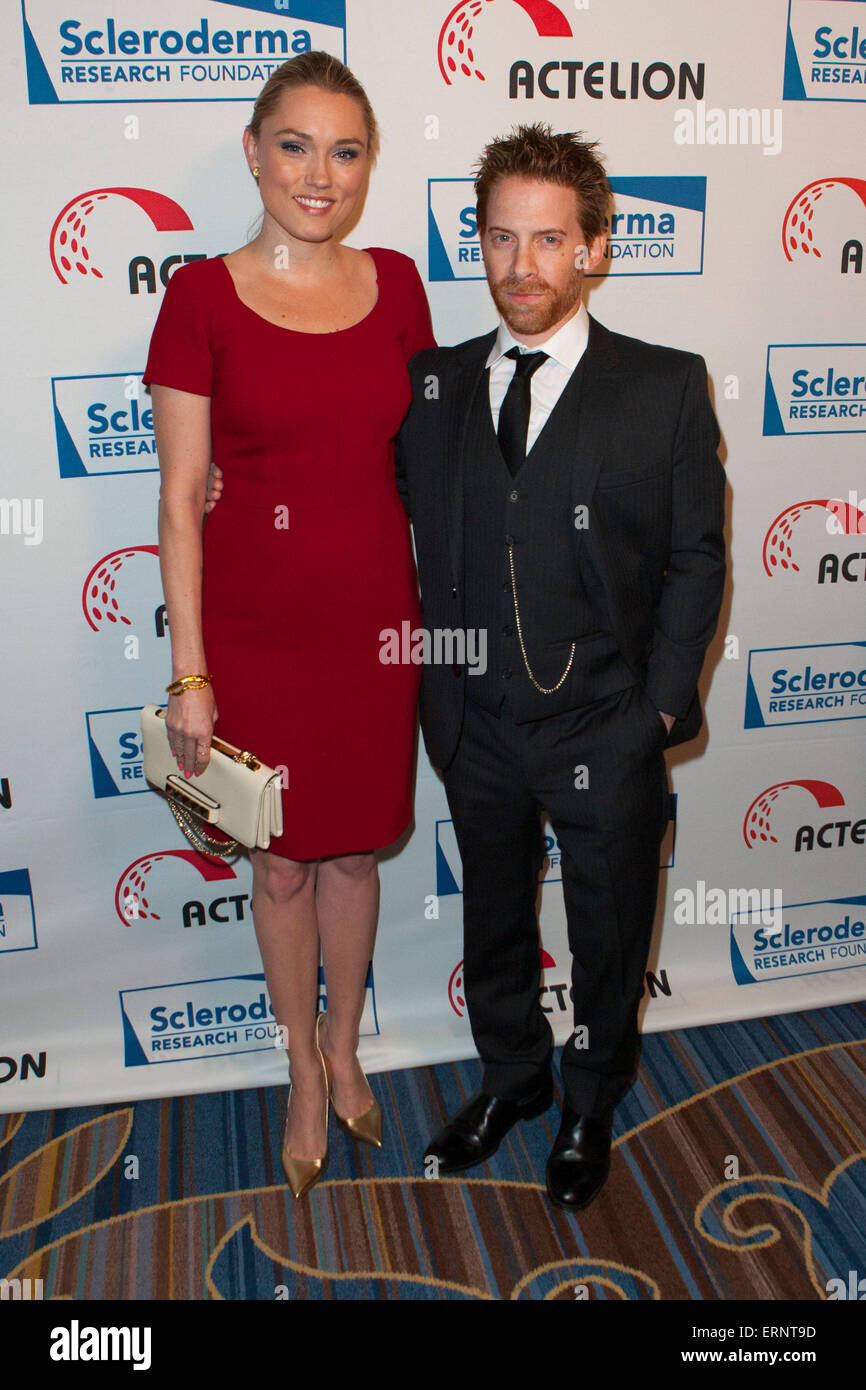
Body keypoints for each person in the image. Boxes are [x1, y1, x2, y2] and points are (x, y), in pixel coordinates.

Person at [395, 123, 726, 1211]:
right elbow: (356, 500)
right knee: (493, 915)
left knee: (604, 928)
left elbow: (694, 556)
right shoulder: (432, 386)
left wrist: (653, 713)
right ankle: (512, 1082)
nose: (520, 267)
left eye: (547, 241)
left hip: (603, 727)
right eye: (500, 239)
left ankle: (587, 1100)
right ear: (477, 242)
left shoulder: (663, 386)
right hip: (473, 725)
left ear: (593, 247)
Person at [143, 51, 435, 1200]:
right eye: (297, 145)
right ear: (255, 150)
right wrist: (189, 674)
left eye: (346, 150)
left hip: (376, 626)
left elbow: (432, 458)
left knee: (355, 849)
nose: (321, 174)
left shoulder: (402, 283)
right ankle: (299, 1075)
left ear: (367, 165)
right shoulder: (200, 296)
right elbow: (178, 496)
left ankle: (348, 1047)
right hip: (254, 632)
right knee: (277, 866)